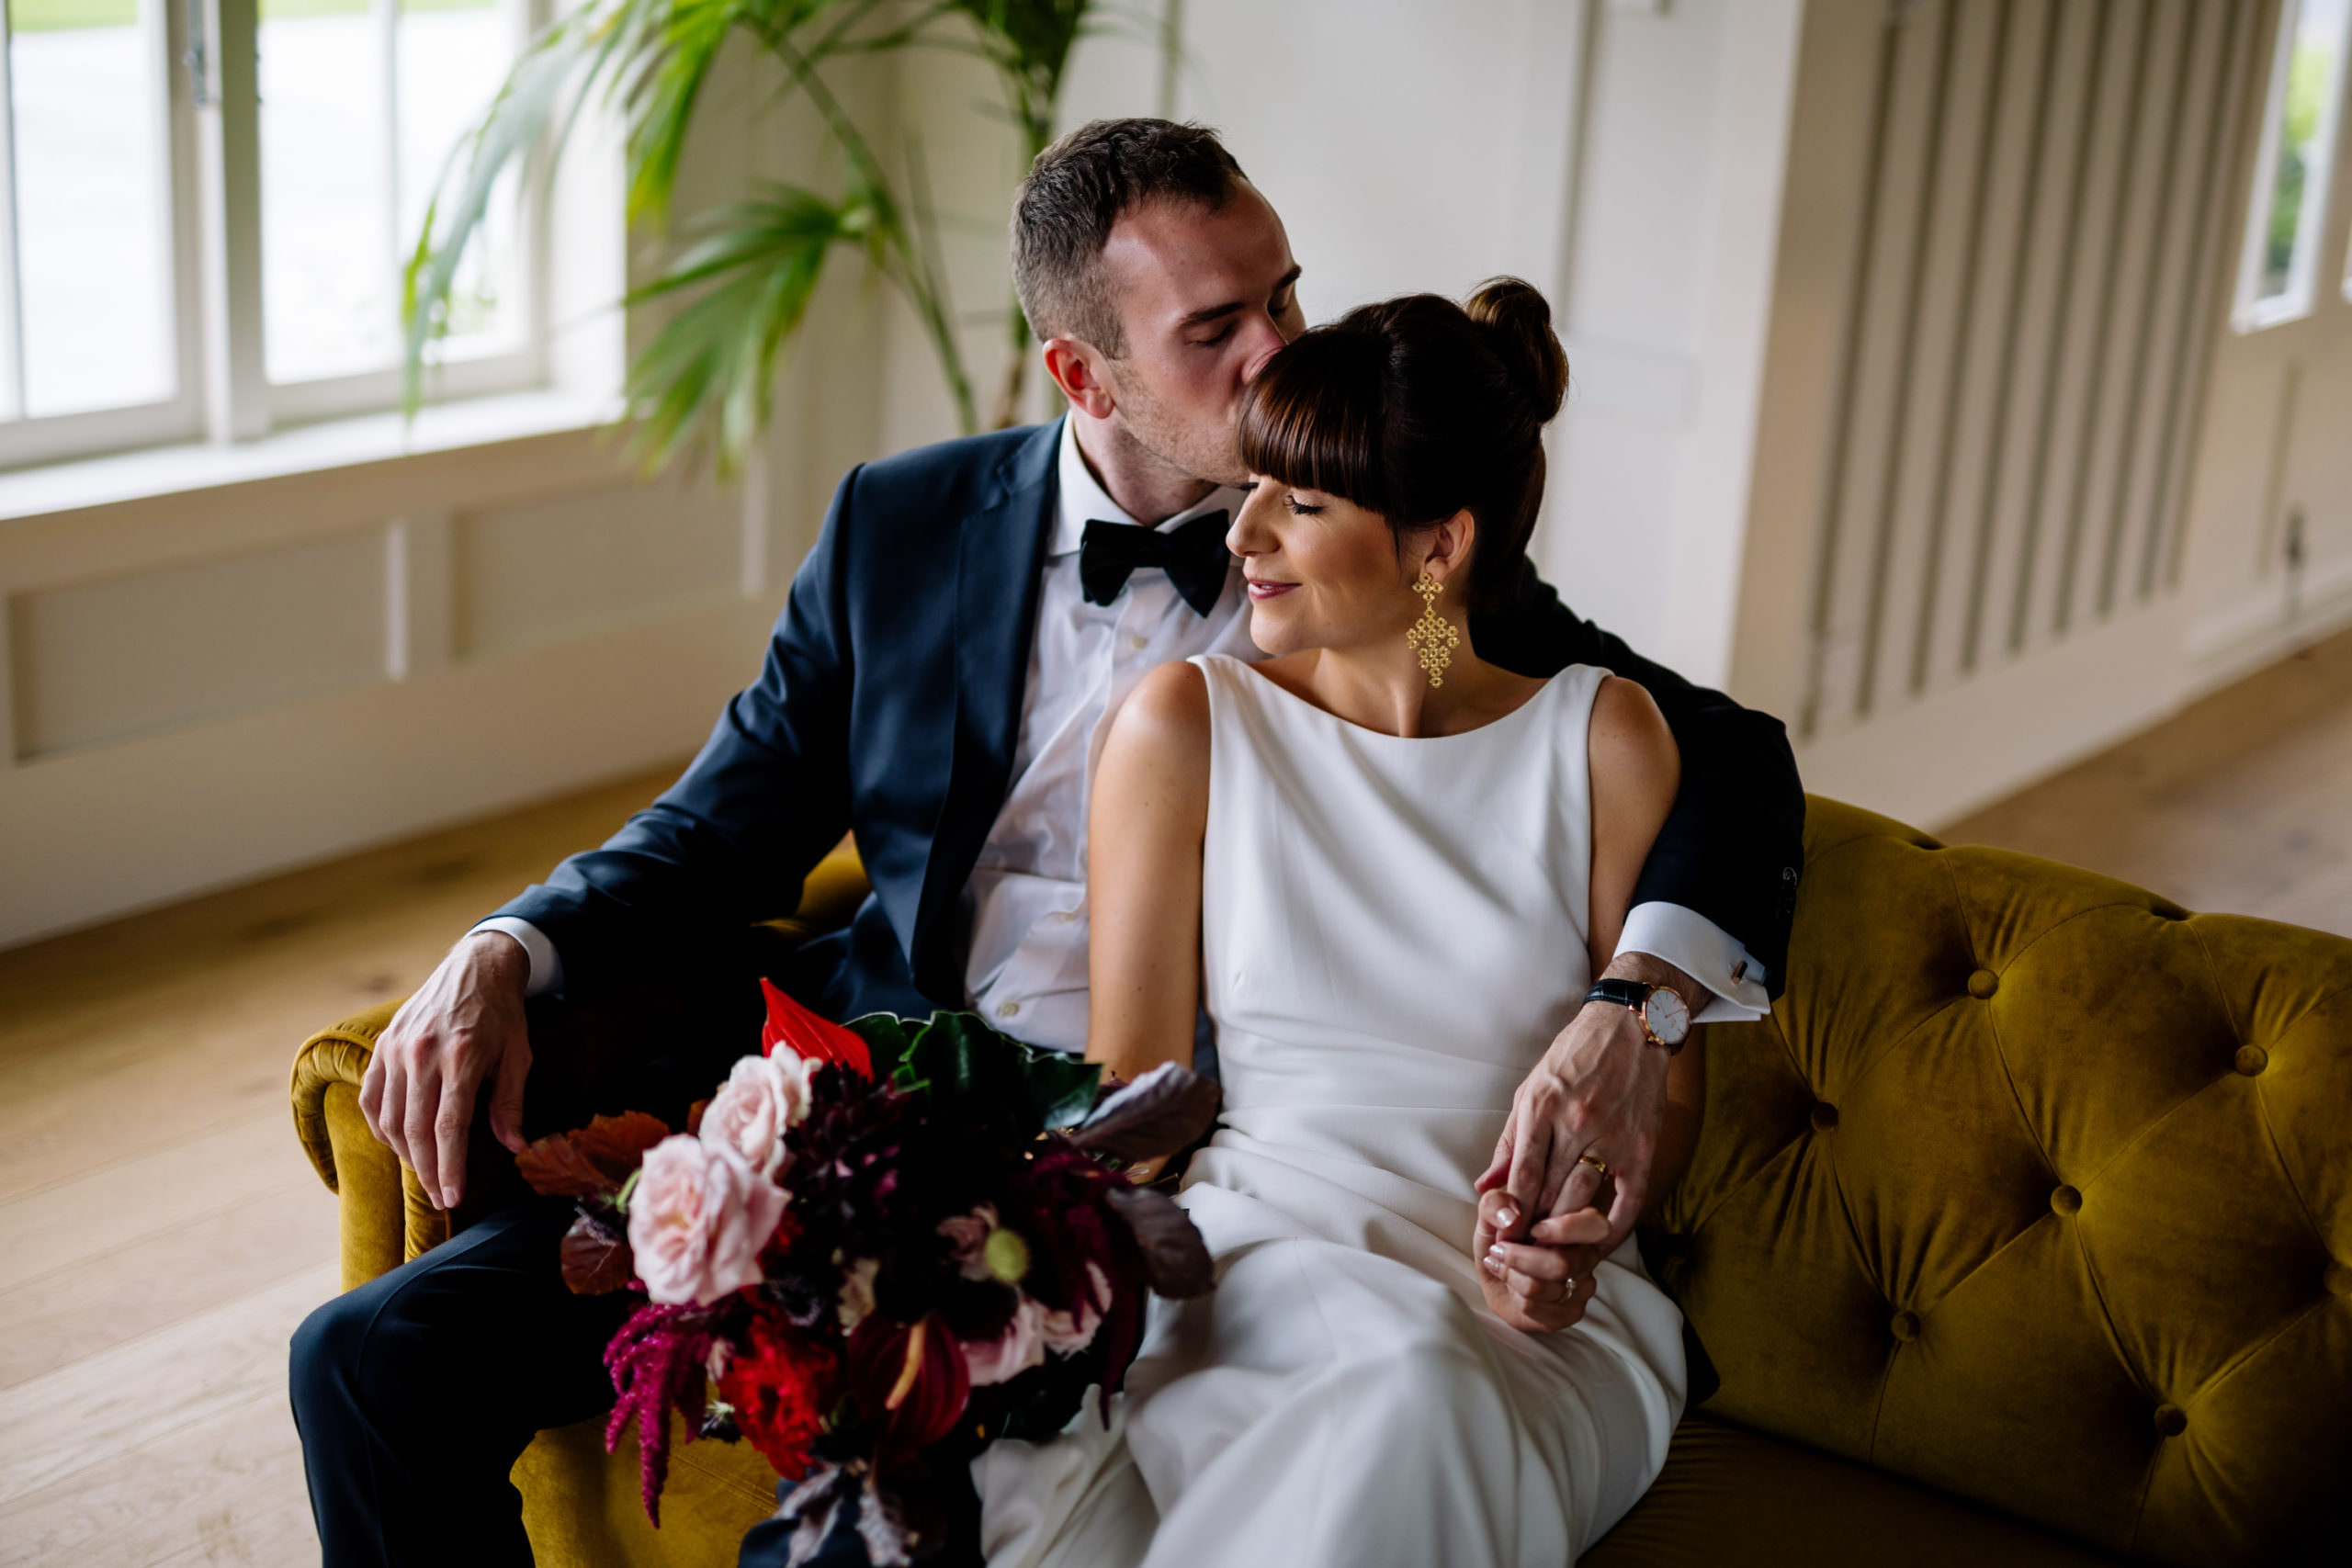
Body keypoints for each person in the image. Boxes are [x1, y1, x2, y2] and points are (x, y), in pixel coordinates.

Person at [288, 118, 1801, 1568]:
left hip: (1173, 1180)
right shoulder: (900, 526)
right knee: (364, 1360)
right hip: (866, 1134)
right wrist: (505, 945)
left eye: (1284, 293)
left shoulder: (1373, 539)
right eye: (1218, 330)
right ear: (1083, 368)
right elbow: (719, 823)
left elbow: (1718, 754)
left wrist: (1637, 1000)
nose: (1282, 349)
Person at [974, 280, 1696, 1568]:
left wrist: (1576, 1235)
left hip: (1532, 1325)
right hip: (1257, 1266)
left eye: (1299, 503)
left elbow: (1656, 1092)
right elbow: (1126, 1113)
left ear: (1437, 548)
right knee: (1378, 1395)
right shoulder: (1188, 726)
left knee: (1419, 1394)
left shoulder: (1603, 739)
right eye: (1254, 484)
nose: (1244, 531)